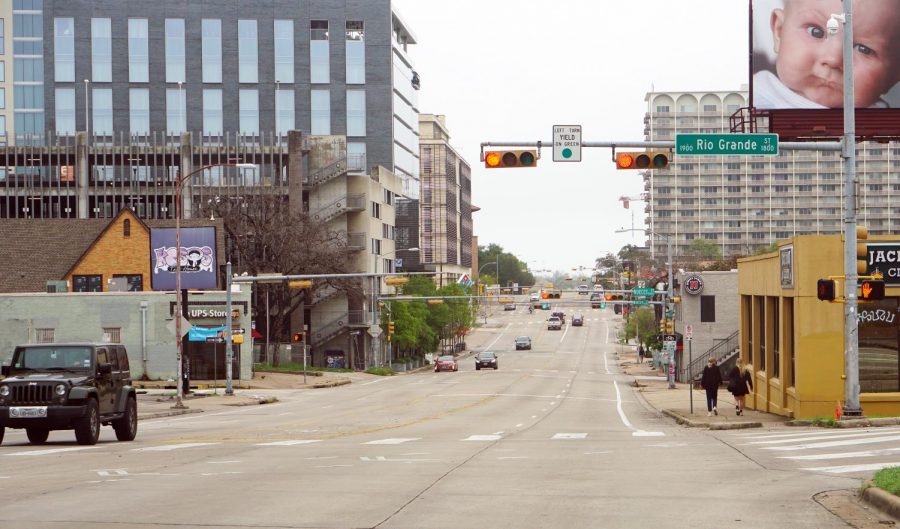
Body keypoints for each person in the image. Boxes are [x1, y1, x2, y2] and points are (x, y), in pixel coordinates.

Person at [754, 0, 900, 109]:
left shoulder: (884, 126)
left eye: (863, 49)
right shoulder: (756, 98)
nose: (834, 59)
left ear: (893, 77)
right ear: (779, 31)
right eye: (816, 32)